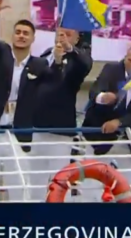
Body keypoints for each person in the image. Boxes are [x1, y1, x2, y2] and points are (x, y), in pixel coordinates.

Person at [0, 0, 54, 203]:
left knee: (18, 185)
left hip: (20, 130)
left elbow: (52, 85)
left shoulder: (39, 64)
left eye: (26, 33)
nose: (21, 36)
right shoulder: (1, 54)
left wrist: (59, 58)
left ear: (33, 38)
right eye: (18, 32)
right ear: (13, 35)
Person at [82, 45, 131, 202]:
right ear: (124, 59)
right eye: (130, 60)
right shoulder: (111, 69)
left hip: (129, 138)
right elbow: (95, 91)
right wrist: (102, 97)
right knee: (93, 178)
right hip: (99, 133)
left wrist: (120, 122)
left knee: (128, 180)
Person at [28, 27, 92, 200]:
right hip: (37, 125)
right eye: (60, 34)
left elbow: (84, 65)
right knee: (35, 177)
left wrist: (68, 50)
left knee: (60, 178)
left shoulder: (78, 60)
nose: (62, 37)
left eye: (68, 35)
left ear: (77, 39)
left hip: (60, 128)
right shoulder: (46, 54)